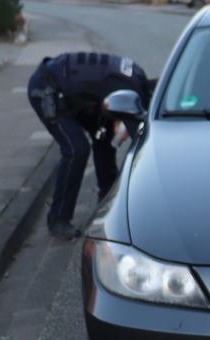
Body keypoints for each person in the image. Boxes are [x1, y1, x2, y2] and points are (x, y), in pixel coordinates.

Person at [27, 52, 150, 239]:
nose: (123, 138)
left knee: (105, 137)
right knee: (76, 149)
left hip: (78, 94)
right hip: (46, 88)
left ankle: (107, 198)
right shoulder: (126, 89)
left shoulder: (137, 80)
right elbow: (143, 147)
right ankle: (58, 218)